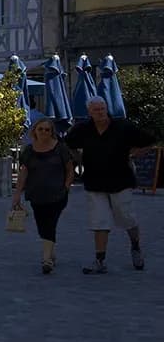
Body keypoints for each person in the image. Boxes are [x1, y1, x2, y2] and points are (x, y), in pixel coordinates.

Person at [65, 96, 155, 274]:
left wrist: (134, 155)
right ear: (89, 112)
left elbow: (149, 141)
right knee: (99, 221)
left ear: (107, 108)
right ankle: (100, 260)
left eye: (102, 109)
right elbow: (68, 143)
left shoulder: (123, 127)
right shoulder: (83, 129)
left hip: (120, 181)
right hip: (94, 181)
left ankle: (135, 246)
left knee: (127, 218)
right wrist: (78, 158)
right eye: (96, 110)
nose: (100, 112)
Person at [13, 117, 75, 274]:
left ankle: (46, 259)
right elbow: (23, 172)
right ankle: (51, 251)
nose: (44, 132)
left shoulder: (60, 148)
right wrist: (17, 194)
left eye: (47, 129)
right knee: (42, 225)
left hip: (57, 194)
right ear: (35, 131)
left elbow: (69, 169)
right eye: (40, 129)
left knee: (50, 223)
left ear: (52, 132)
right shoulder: (28, 150)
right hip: (36, 194)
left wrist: (66, 187)